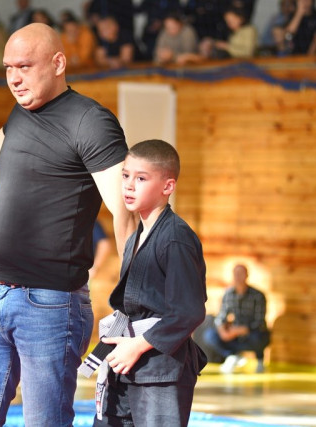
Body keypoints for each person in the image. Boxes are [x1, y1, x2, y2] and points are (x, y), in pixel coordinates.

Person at [0, 22, 135, 426]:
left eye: (24, 66)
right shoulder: (23, 113)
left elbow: (125, 211)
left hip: (50, 303)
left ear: (58, 63)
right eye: (8, 68)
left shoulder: (90, 121)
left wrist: (132, 300)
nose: (13, 78)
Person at [92, 139, 207, 426]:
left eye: (141, 178)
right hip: (128, 360)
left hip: (160, 368)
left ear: (168, 186)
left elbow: (189, 312)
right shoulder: (137, 236)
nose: (129, 186)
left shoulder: (176, 238)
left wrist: (138, 346)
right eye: (125, 176)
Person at [203, 264, 270, 374]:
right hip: (234, 333)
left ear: (247, 275)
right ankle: (232, 356)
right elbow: (221, 317)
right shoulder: (228, 294)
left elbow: (259, 322)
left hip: (252, 333)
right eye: (236, 274)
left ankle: (259, 360)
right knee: (210, 335)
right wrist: (222, 331)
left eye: (241, 274)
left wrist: (240, 330)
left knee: (259, 337)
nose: (238, 277)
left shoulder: (258, 296)